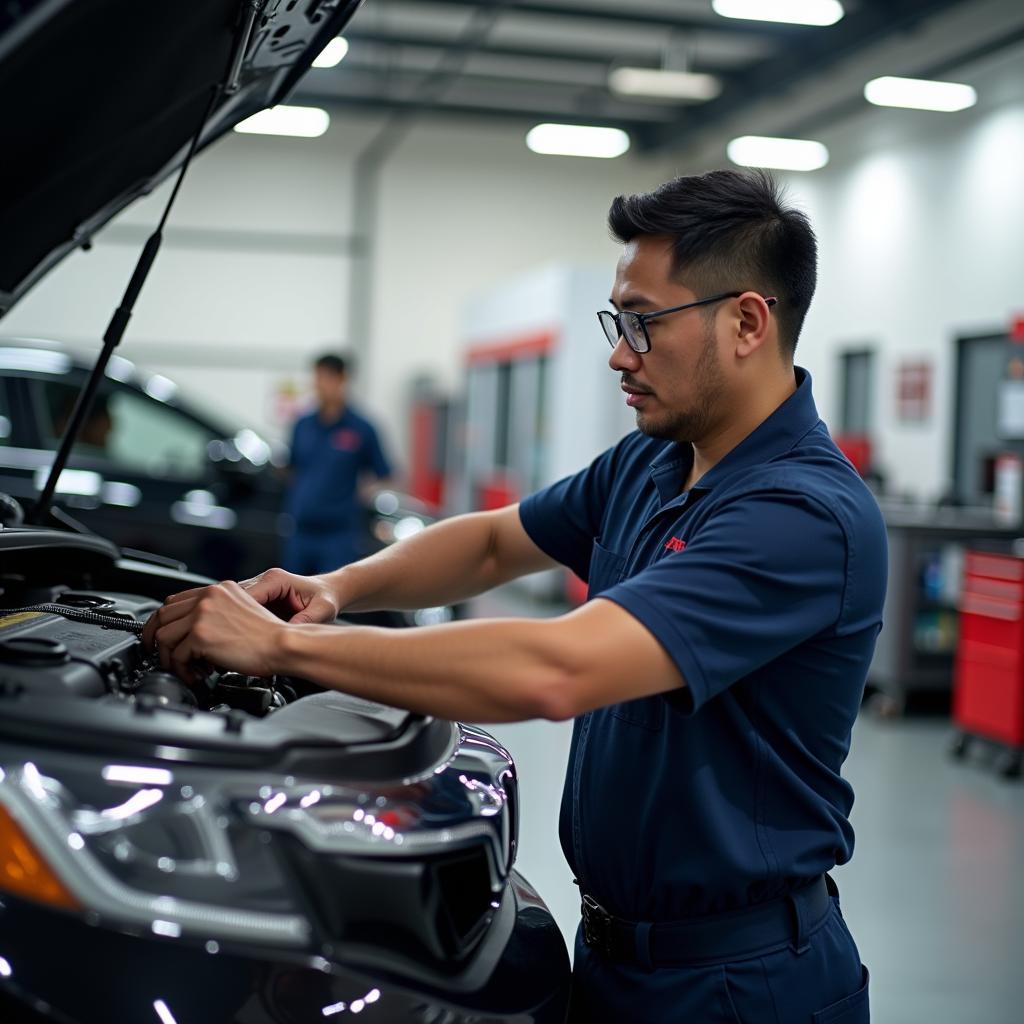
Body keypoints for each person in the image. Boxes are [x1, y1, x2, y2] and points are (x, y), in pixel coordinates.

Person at [144, 170, 885, 1023]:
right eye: (617, 322)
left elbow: (554, 669)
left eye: (641, 322)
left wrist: (282, 648)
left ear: (747, 321)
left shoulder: (802, 516)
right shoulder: (655, 460)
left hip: (741, 985)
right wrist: (332, 588)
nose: (619, 352)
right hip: (616, 962)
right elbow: (496, 539)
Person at [282, 353, 393, 574]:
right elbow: (290, 467)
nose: (320, 385)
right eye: (317, 377)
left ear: (343, 379)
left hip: (339, 535)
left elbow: (385, 474)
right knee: (289, 598)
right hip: (301, 530)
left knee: (331, 600)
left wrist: (359, 494)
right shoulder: (302, 425)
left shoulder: (362, 428)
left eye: (326, 377)